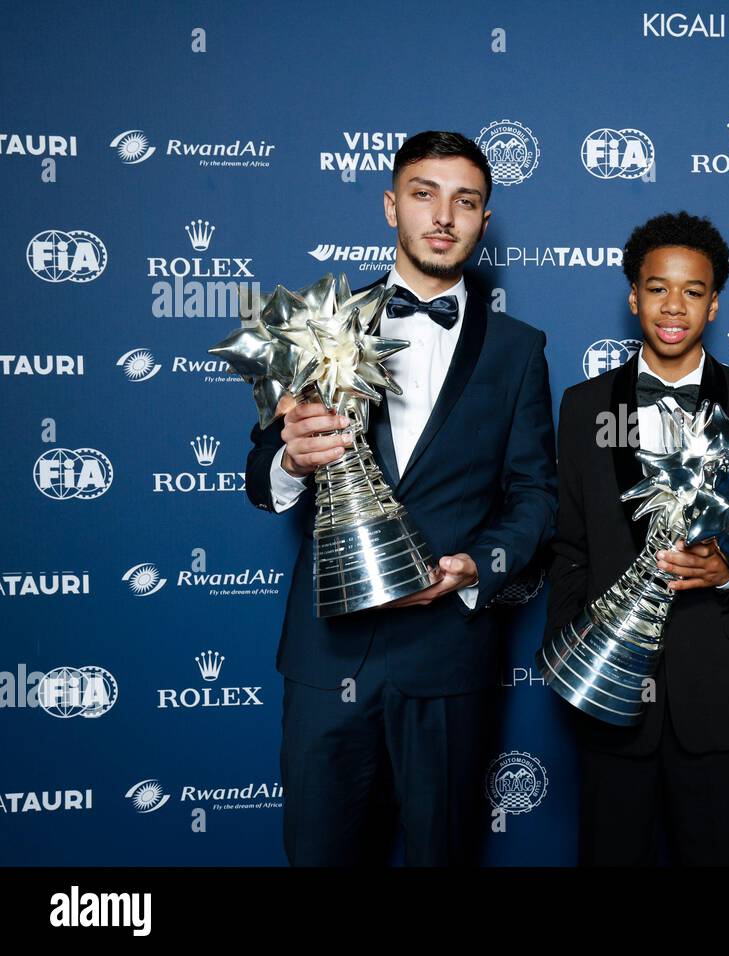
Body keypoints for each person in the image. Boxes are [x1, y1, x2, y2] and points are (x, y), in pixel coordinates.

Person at [244, 130, 557, 866]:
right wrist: (292, 456)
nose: (444, 215)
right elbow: (260, 474)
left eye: (466, 201)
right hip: (330, 653)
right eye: (424, 194)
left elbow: (535, 495)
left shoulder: (519, 348)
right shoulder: (316, 324)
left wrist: (476, 568)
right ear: (392, 205)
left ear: (483, 219)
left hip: (447, 654)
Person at [545, 211, 729, 866]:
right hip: (611, 698)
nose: (673, 306)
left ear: (714, 304)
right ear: (633, 295)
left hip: (719, 700)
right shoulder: (583, 408)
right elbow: (569, 547)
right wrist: (575, 656)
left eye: (693, 291)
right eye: (658, 287)